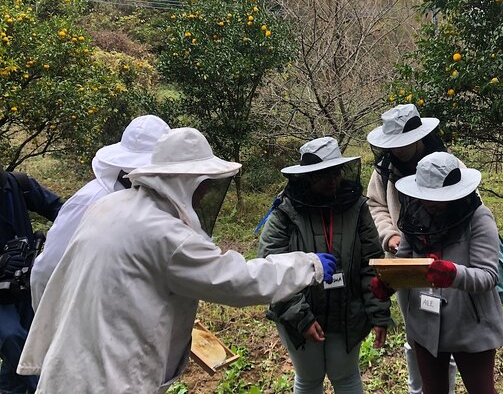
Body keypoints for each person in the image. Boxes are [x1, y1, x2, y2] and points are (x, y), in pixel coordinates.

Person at [17, 128, 337, 393]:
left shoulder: (110, 207)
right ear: (184, 180)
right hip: (112, 378)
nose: (204, 194)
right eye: (203, 185)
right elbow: (236, 280)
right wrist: (308, 265)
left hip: (67, 367)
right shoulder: (163, 234)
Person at [258, 137, 392, 394]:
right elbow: (271, 268)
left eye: (336, 173)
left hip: (347, 309)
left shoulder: (357, 208)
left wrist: (379, 312)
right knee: (309, 377)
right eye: (324, 175)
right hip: (299, 308)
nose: (332, 180)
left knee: (346, 375)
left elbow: (370, 264)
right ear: (307, 177)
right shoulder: (285, 213)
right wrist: (301, 318)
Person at [371, 152, 503, 394]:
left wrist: (452, 274)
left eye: (438, 196)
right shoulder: (415, 216)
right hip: (425, 321)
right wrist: (388, 281)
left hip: (469, 322)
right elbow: (403, 261)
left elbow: (488, 276)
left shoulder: (478, 217)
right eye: (426, 196)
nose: (430, 202)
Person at [30, 114, 170, 310]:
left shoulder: (148, 203)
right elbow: (46, 271)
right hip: (80, 319)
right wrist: (48, 329)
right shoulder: (90, 200)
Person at [366, 103, 458, 393]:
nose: (400, 150)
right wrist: (389, 235)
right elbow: (375, 205)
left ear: (420, 136)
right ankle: (418, 389)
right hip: (404, 262)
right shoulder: (383, 171)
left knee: (449, 331)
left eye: (406, 143)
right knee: (416, 332)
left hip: (446, 260)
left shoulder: (447, 163)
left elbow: (469, 201)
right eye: (395, 145)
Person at [0, 166, 62, 394]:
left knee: (33, 341)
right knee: (13, 337)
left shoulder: (18, 184)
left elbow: (61, 211)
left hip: (27, 283)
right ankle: (47, 388)